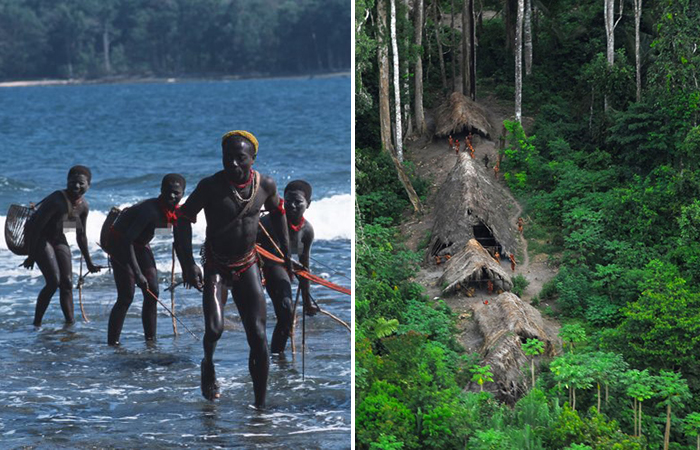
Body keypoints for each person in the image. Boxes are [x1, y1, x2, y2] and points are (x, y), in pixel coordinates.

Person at [174, 130, 291, 408]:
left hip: (248, 264)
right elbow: (182, 219)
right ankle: (208, 365)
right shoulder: (210, 186)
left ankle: (260, 406)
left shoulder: (266, 185)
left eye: (241, 159)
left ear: (253, 158)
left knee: (259, 336)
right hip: (216, 265)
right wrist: (188, 264)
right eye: (228, 158)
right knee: (214, 329)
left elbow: (279, 212)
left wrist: (287, 256)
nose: (234, 165)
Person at [105, 174, 186, 346]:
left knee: (153, 292)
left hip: (140, 245)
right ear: (161, 191)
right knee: (126, 296)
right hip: (121, 245)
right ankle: (113, 343)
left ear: (183, 194)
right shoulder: (149, 211)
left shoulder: (175, 212)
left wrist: (188, 270)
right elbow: (127, 241)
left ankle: (151, 341)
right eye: (169, 192)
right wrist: (137, 273)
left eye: (177, 193)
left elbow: (180, 243)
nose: (172, 196)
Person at [22, 165, 101, 327]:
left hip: (58, 238)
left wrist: (89, 262)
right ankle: (36, 324)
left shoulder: (83, 206)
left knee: (67, 282)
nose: (76, 186)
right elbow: (36, 228)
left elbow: (81, 235)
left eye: (81, 183)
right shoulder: (56, 201)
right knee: (53, 282)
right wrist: (31, 255)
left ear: (89, 185)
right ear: (67, 182)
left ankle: (70, 324)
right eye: (72, 182)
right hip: (39, 238)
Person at [258, 179, 319, 354]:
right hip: (265, 266)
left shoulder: (306, 231)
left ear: (308, 204)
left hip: (283, 269)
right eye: (288, 201)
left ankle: (276, 358)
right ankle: (273, 356)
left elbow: (303, 267)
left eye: (298, 202)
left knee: (286, 317)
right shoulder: (270, 221)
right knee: (285, 312)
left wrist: (307, 302)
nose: (292, 206)